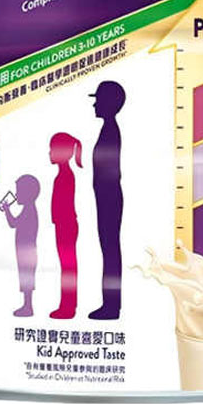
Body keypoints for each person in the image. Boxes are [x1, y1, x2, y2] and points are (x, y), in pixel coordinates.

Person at [88, 81, 126, 320]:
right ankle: (111, 304)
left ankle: (111, 306)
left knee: (110, 251)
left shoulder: (110, 130)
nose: (94, 105)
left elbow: (108, 170)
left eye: (98, 100)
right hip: (106, 196)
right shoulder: (108, 129)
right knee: (109, 250)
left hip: (108, 198)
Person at [49, 132, 82, 319]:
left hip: (65, 225)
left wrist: (59, 222)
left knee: (68, 267)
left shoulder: (65, 176)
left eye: (52, 149)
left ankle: (68, 307)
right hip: (64, 225)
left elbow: (64, 205)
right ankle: (68, 305)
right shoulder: (63, 175)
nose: (49, 153)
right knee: (67, 267)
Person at [0, 174, 40, 317]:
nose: (16, 195)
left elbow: (13, 224)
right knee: (26, 278)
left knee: (27, 279)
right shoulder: (29, 209)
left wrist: (7, 210)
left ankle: (28, 307)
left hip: (27, 253)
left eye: (19, 191)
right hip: (26, 251)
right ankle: (27, 305)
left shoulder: (29, 210)